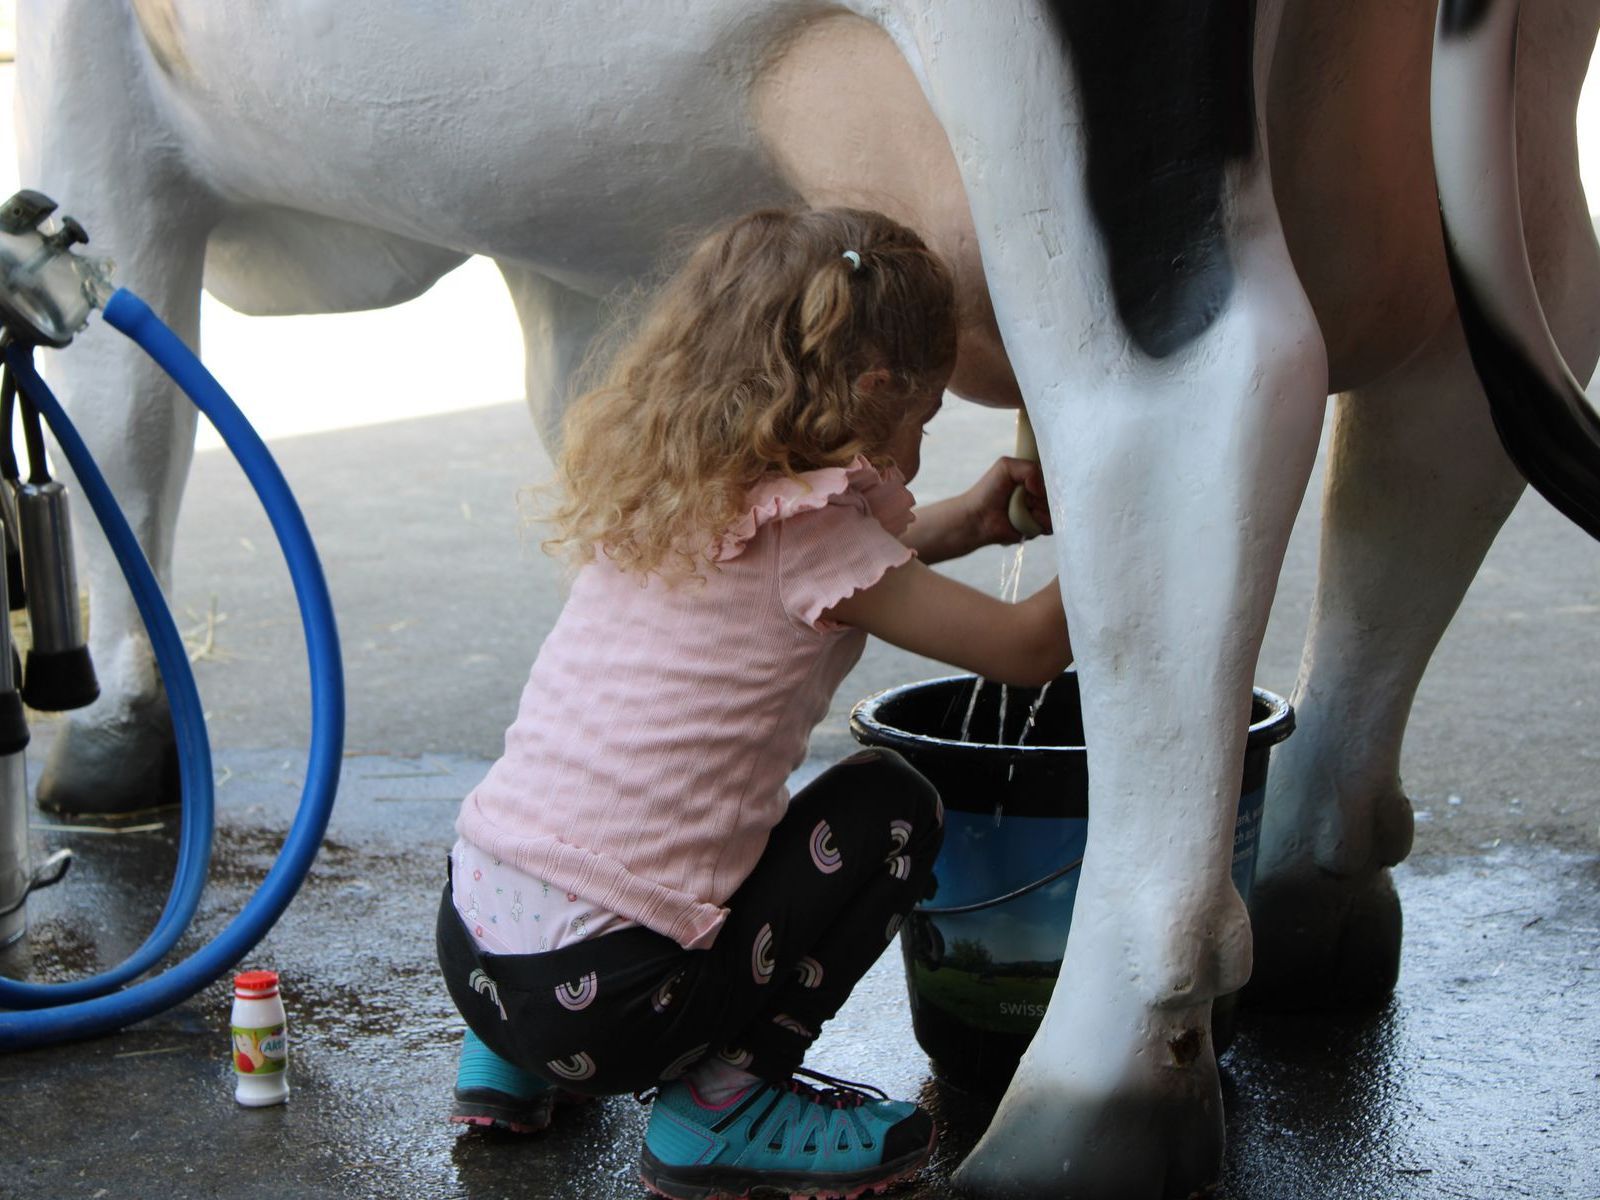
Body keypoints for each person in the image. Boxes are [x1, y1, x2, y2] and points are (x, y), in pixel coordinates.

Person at [435, 206, 1069, 1200]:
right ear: (873, 390)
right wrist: (1138, 520)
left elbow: (845, 575)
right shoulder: (818, 539)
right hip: (609, 1002)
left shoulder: (670, 496)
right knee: (890, 806)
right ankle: (721, 1110)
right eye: (924, 419)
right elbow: (1028, 653)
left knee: (592, 808)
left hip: (478, 951)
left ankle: (509, 1070)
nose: (918, 443)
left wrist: (966, 522)